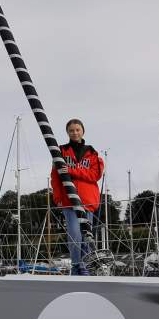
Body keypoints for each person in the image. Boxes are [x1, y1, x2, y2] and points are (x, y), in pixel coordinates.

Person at [50, 118, 103, 276]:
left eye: (77, 129)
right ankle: (76, 267)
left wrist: (72, 171)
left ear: (82, 131)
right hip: (69, 201)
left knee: (87, 235)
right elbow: (55, 176)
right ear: (67, 132)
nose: (74, 133)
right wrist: (57, 197)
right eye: (71, 130)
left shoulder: (92, 153)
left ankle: (85, 266)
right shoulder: (60, 152)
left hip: (87, 200)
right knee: (75, 233)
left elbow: (95, 175)